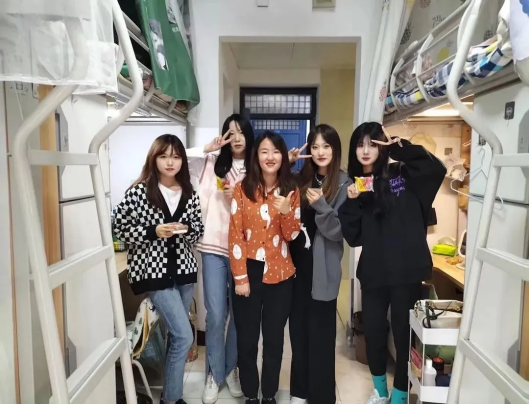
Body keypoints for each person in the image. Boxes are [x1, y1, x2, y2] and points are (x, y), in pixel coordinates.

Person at [338, 123, 446, 405]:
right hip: (374, 272)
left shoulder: (403, 175)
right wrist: (352, 202)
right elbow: (354, 237)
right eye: (360, 144)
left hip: (406, 271)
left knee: (403, 336)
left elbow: (436, 169)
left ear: (382, 147)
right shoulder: (357, 186)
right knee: (373, 334)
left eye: (372, 144)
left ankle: (399, 397)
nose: (365, 150)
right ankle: (380, 392)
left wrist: (399, 147)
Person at [113, 134, 205, 405]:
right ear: (154, 159)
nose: (170, 162)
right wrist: (153, 231)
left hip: (184, 272)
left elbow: (198, 230)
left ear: (182, 161)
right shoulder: (139, 192)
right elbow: (119, 229)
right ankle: (172, 399)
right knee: (184, 336)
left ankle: (170, 394)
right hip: (155, 274)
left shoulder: (189, 192)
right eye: (163, 156)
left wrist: (186, 229)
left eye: (176, 157)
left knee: (174, 336)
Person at [229, 131, 301, 405]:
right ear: (256, 156)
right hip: (248, 271)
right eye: (264, 151)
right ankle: (250, 393)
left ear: (283, 156)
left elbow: (292, 236)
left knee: (274, 341)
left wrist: (286, 211)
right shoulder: (242, 189)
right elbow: (235, 235)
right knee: (247, 339)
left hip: (281, 274)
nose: (270, 157)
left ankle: (269, 393)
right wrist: (240, 277)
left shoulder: (291, 190)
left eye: (276, 151)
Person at [187, 114, 255, 404]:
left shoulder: (255, 168)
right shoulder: (211, 163)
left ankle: (231, 369)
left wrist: (237, 199)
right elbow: (178, 159)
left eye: (241, 132)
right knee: (215, 315)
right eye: (231, 132)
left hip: (245, 250)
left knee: (240, 316)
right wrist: (207, 147)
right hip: (213, 246)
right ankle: (214, 374)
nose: (236, 138)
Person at [289, 124, 352, 405]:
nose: (320, 152)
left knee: (322, 335)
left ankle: (322, 396)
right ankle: (299, 391)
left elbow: (339, 231)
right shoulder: (301, 178)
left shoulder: (344, 184)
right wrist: (287, 162)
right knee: (298, 332)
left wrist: (322, 206)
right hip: (296, 269)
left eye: (326, 146)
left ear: (335, 149)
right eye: (314, 146)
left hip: (323, 270)